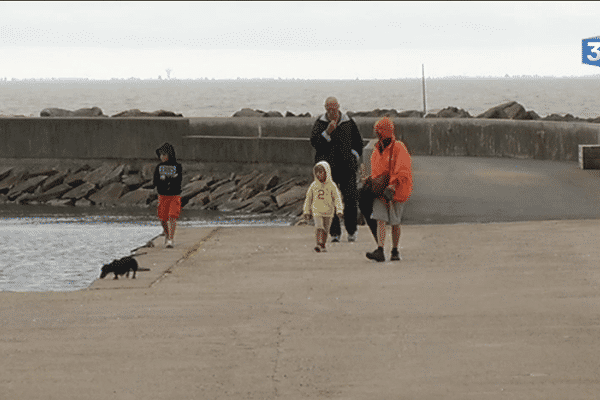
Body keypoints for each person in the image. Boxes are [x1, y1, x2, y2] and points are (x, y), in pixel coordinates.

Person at [310, 97, 363, 243]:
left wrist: (354, 156)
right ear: (325, 108)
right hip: (328, 170)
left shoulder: (348, 122)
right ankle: (334, 233)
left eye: (334, 108)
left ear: (338, 107)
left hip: (347, 168)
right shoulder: (320, 123)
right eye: (328, 109)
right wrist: (327, 133)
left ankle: (352, 230)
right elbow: (315, 143)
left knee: (351, 199)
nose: (332, 112)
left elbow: (358, 143)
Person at [364, 117, 413, 262]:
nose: (376, 134)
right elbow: (376, 172)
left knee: (395, 222)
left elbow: (402, 168)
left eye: (378, 131)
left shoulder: (398, 147)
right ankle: (380, 249)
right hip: (380, 191)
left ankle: (395, 250)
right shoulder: (376, 150)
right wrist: (371, 180)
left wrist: (392, 185)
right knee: (380, 220)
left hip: (395, 191)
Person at [302, 161, 344, 252]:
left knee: (325, 229)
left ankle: (323, 244)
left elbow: (337, 198)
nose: (318, 174)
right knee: (319, 227)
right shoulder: (313, 186)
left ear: (327, 172)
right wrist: (307, 211)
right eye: (316, 172)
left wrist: (339, 210)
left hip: (328, 212)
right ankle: (318, 244)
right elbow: (308, 199)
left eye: (321, 172)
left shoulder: (332, 186)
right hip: (317, 211)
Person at [153, 142, 183, 248]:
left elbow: (179, 179)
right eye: (161, 155)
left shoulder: (177, 166)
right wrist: (161, 180)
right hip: (163, 195)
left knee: (172, 216)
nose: (162, 157)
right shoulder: (159, 167)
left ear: (169, 155)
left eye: (164, 154)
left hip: (174, 195)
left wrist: (173, 178)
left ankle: (171, 238)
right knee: (163, 218)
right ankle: (166, 234)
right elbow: (155, 181)